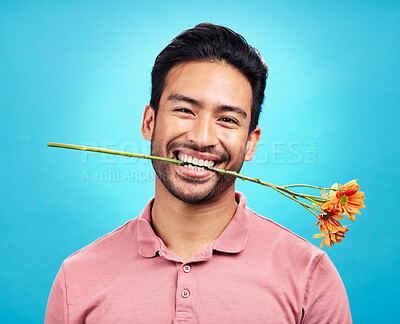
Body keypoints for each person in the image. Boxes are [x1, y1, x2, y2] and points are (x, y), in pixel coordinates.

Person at [45, 23, 352, 323]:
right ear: (149, 122)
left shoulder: (309, 275)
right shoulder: (78, 277)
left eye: (228, 119)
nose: (202, 137)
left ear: (250, 143)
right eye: (185, 110)